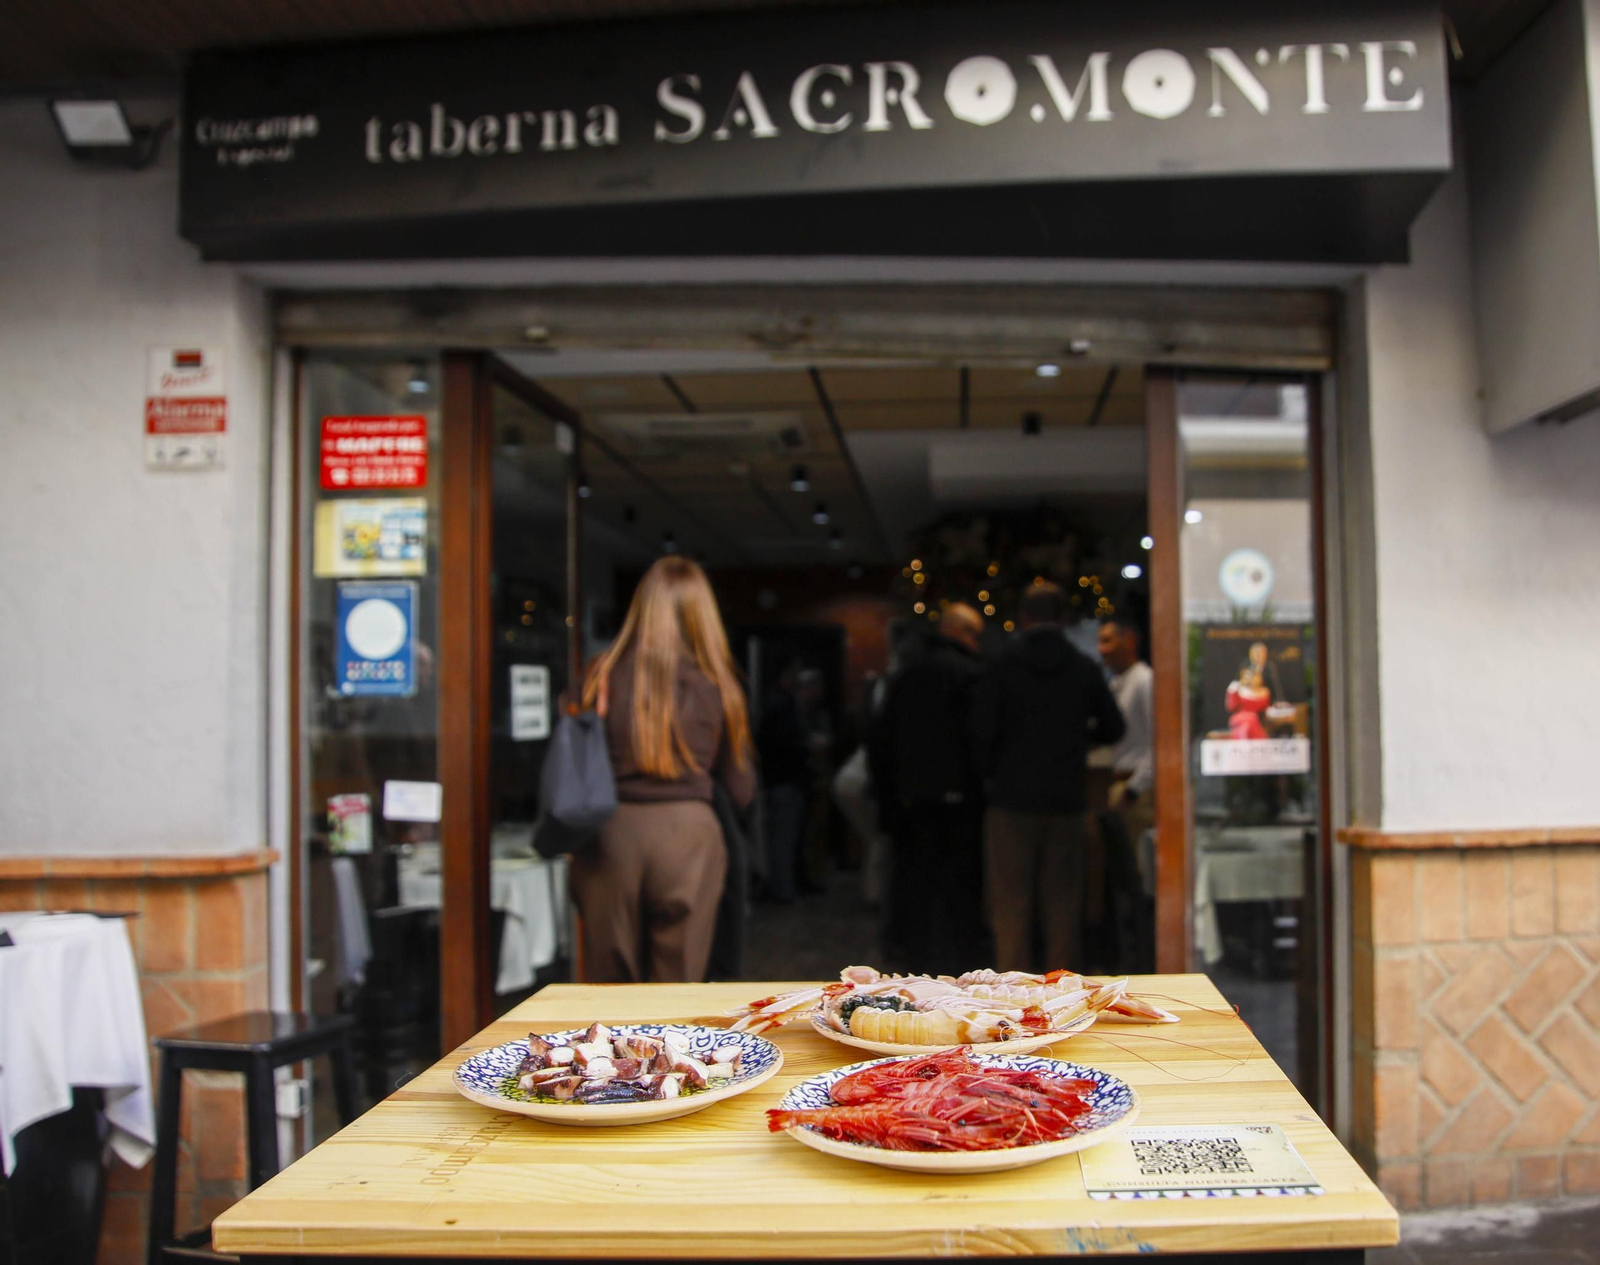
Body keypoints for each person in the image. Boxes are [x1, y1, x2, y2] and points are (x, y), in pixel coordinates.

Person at [570, 556, 755, 983]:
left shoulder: (599, 674)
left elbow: (575, 757)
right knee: (679, 983)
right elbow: (740, 789)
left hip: (611, 833)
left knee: (610, 987)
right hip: (690, 838)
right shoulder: (719, 683)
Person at [974, 581, 1125, 972]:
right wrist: (1077, 741)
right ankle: (1061, 990)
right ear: (1062, 618)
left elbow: (981, 732)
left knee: (1010, 904)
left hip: (1011, 798)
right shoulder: (1083, 666)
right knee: (1063, 905)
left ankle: (1011, 991)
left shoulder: (1002, 664)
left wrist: (996, 769)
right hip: (1066, 797)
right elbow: (1113, 726)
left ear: (1023, 617)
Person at [869, 603, 986, 973]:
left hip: (910, 801)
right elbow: (981, 740)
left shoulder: (906, 674)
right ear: (962, 633)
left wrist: (888, 800)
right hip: (963, 802)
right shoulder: (972, 674)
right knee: (960, 889)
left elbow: (881, 742)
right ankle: (961, 965)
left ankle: (913, 961)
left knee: (914, 886)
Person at [1097, 615, 1155, 864]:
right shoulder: (1117, 683)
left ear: (1129, 641)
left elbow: (1159, 741)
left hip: (1137, 790)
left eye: (1107, 641)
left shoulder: (1145, 680)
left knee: (1137, 866)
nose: (1101, 650)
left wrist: (1134, 789)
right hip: (1122, 786)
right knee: (1123, 866)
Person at [757, 659, 811, 903]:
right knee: (783, 838)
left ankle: (782, 886)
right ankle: (783, 889)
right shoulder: (782, 705)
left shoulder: (773, 702)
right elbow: (785, 743)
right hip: (785, 778)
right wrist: (804, 751)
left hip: (777, 778)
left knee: (782, 837)